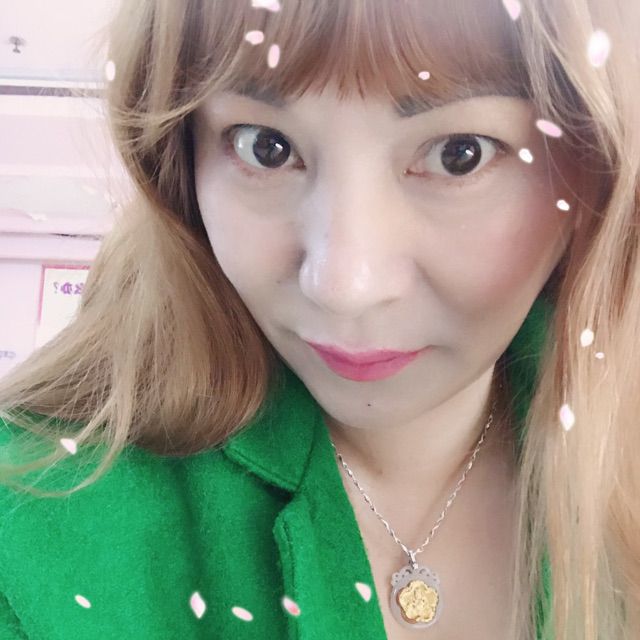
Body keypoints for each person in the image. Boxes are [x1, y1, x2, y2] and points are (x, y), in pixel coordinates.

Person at [0, 0, 638, 638]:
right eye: (266, 148)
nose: (343, 287)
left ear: (596, 171)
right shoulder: (32, 537)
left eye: (458, 155)